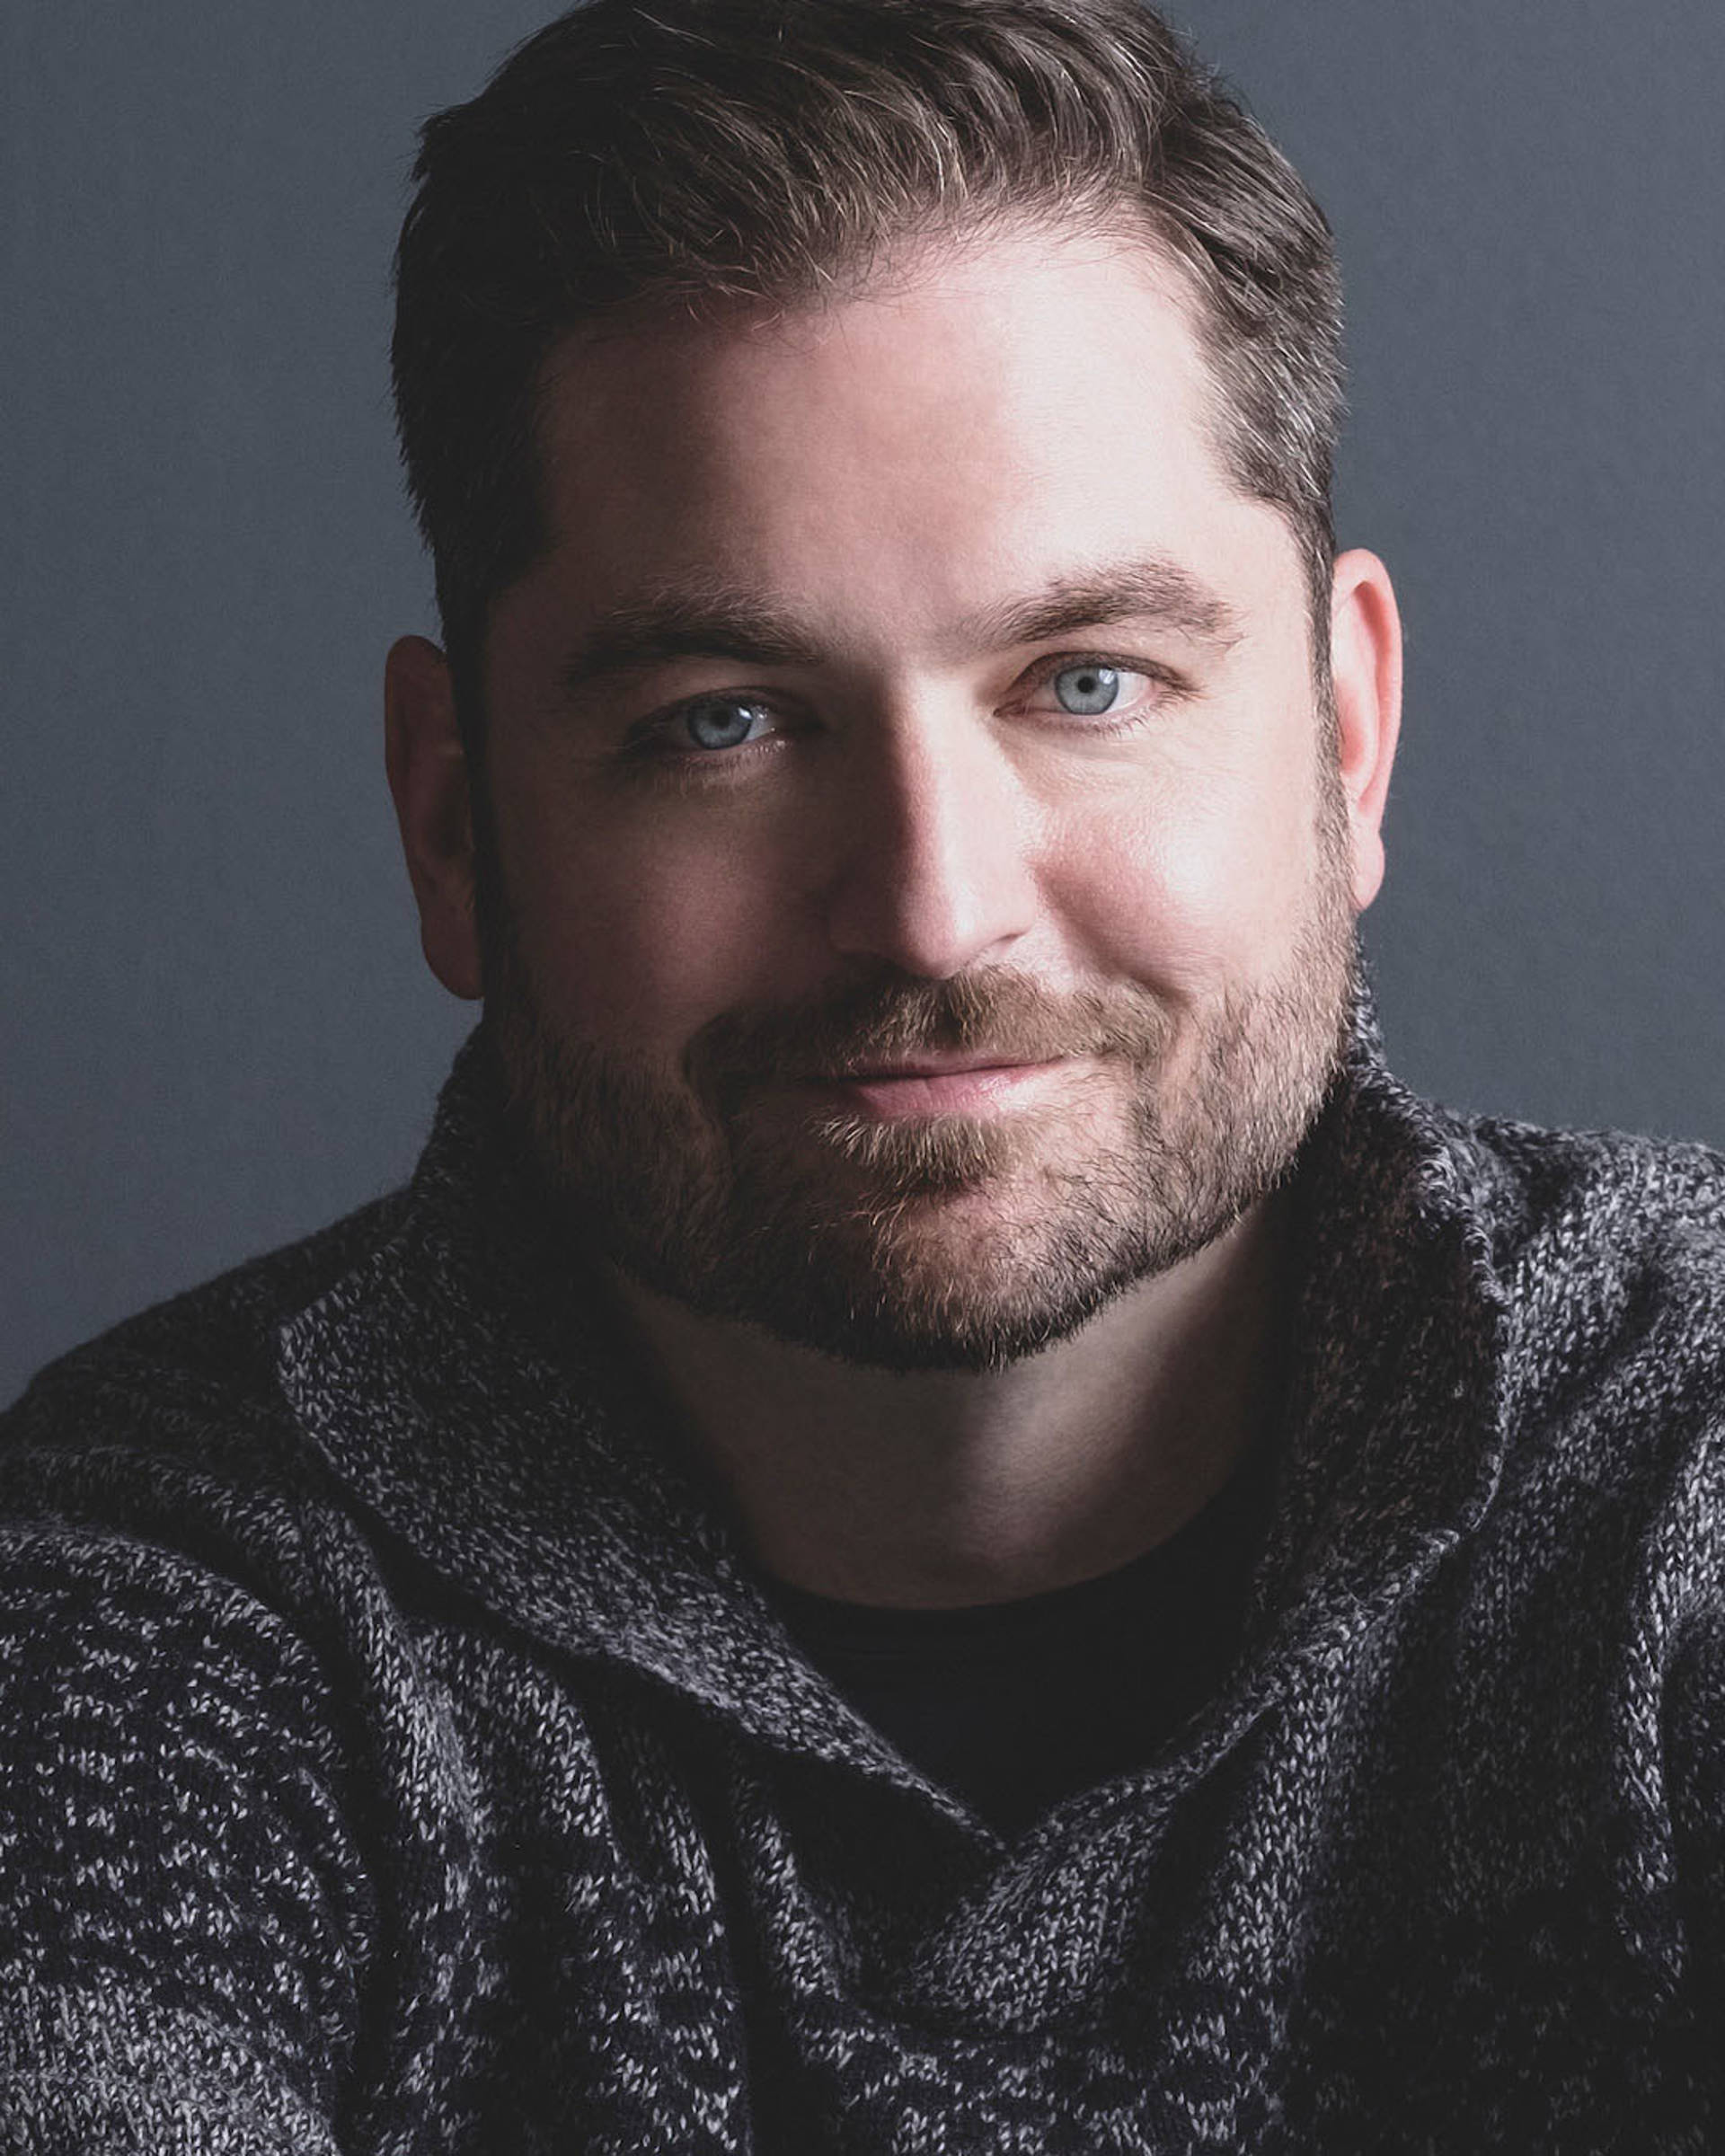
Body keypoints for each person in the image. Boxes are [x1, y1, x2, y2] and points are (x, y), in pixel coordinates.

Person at [2, 0, 1721, 2146]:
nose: (928, 906)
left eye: (1087, 682)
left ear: (1348, 733)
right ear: (455, 824)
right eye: (722, 718)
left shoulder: (1692, 1453)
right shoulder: (149, 1610)